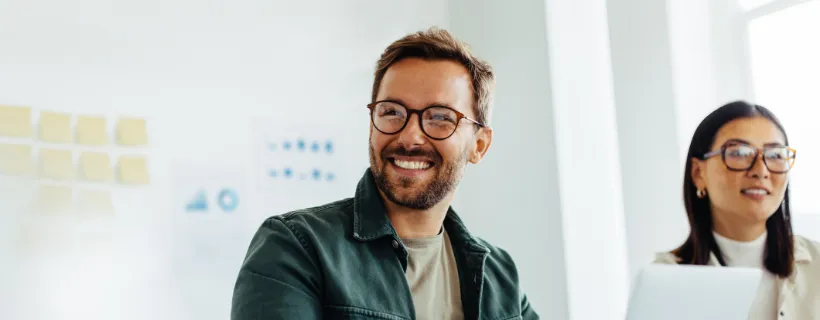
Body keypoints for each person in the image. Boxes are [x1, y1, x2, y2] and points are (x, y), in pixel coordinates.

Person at [230, 27, 538, 319]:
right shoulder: (296, 247)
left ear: (479, 145)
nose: (410, 137)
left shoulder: (499, 275)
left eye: (440, 118)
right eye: (392, 112)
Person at [655, 101, 820, 319]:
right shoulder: (663, 281)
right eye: (739, 153)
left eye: (775, 155)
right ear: (698, 173)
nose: (760, 171)